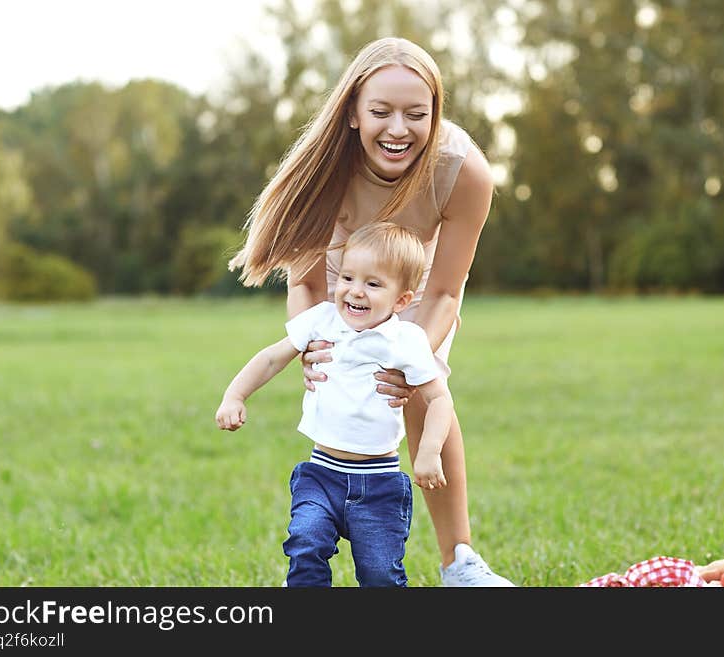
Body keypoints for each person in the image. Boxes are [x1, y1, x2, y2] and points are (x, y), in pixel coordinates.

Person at [228, 36, 514, 586]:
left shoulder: (464, 172)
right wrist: (312, 346)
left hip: (416, 281)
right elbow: (308, 283)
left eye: (416, 114)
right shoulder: (324, 171)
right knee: (354, 392)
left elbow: (445, 294)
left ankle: (461, 562)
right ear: (354, 113)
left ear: (437, 114)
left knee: (422, 392)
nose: (398, 129)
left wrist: (411, 359)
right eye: (381, 112)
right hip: (340, 276)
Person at [216, 222, 453, 586]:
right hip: (321, 474)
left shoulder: (405, 340)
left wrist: (430, 451)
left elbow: (439, 399)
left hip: (379, 483)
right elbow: (270, 358)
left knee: (380, 574)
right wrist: (235, 395)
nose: (355, 291)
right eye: (347, 277)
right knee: (305, 543)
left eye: (373, 284)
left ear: (402, 300)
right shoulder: (322, 320)